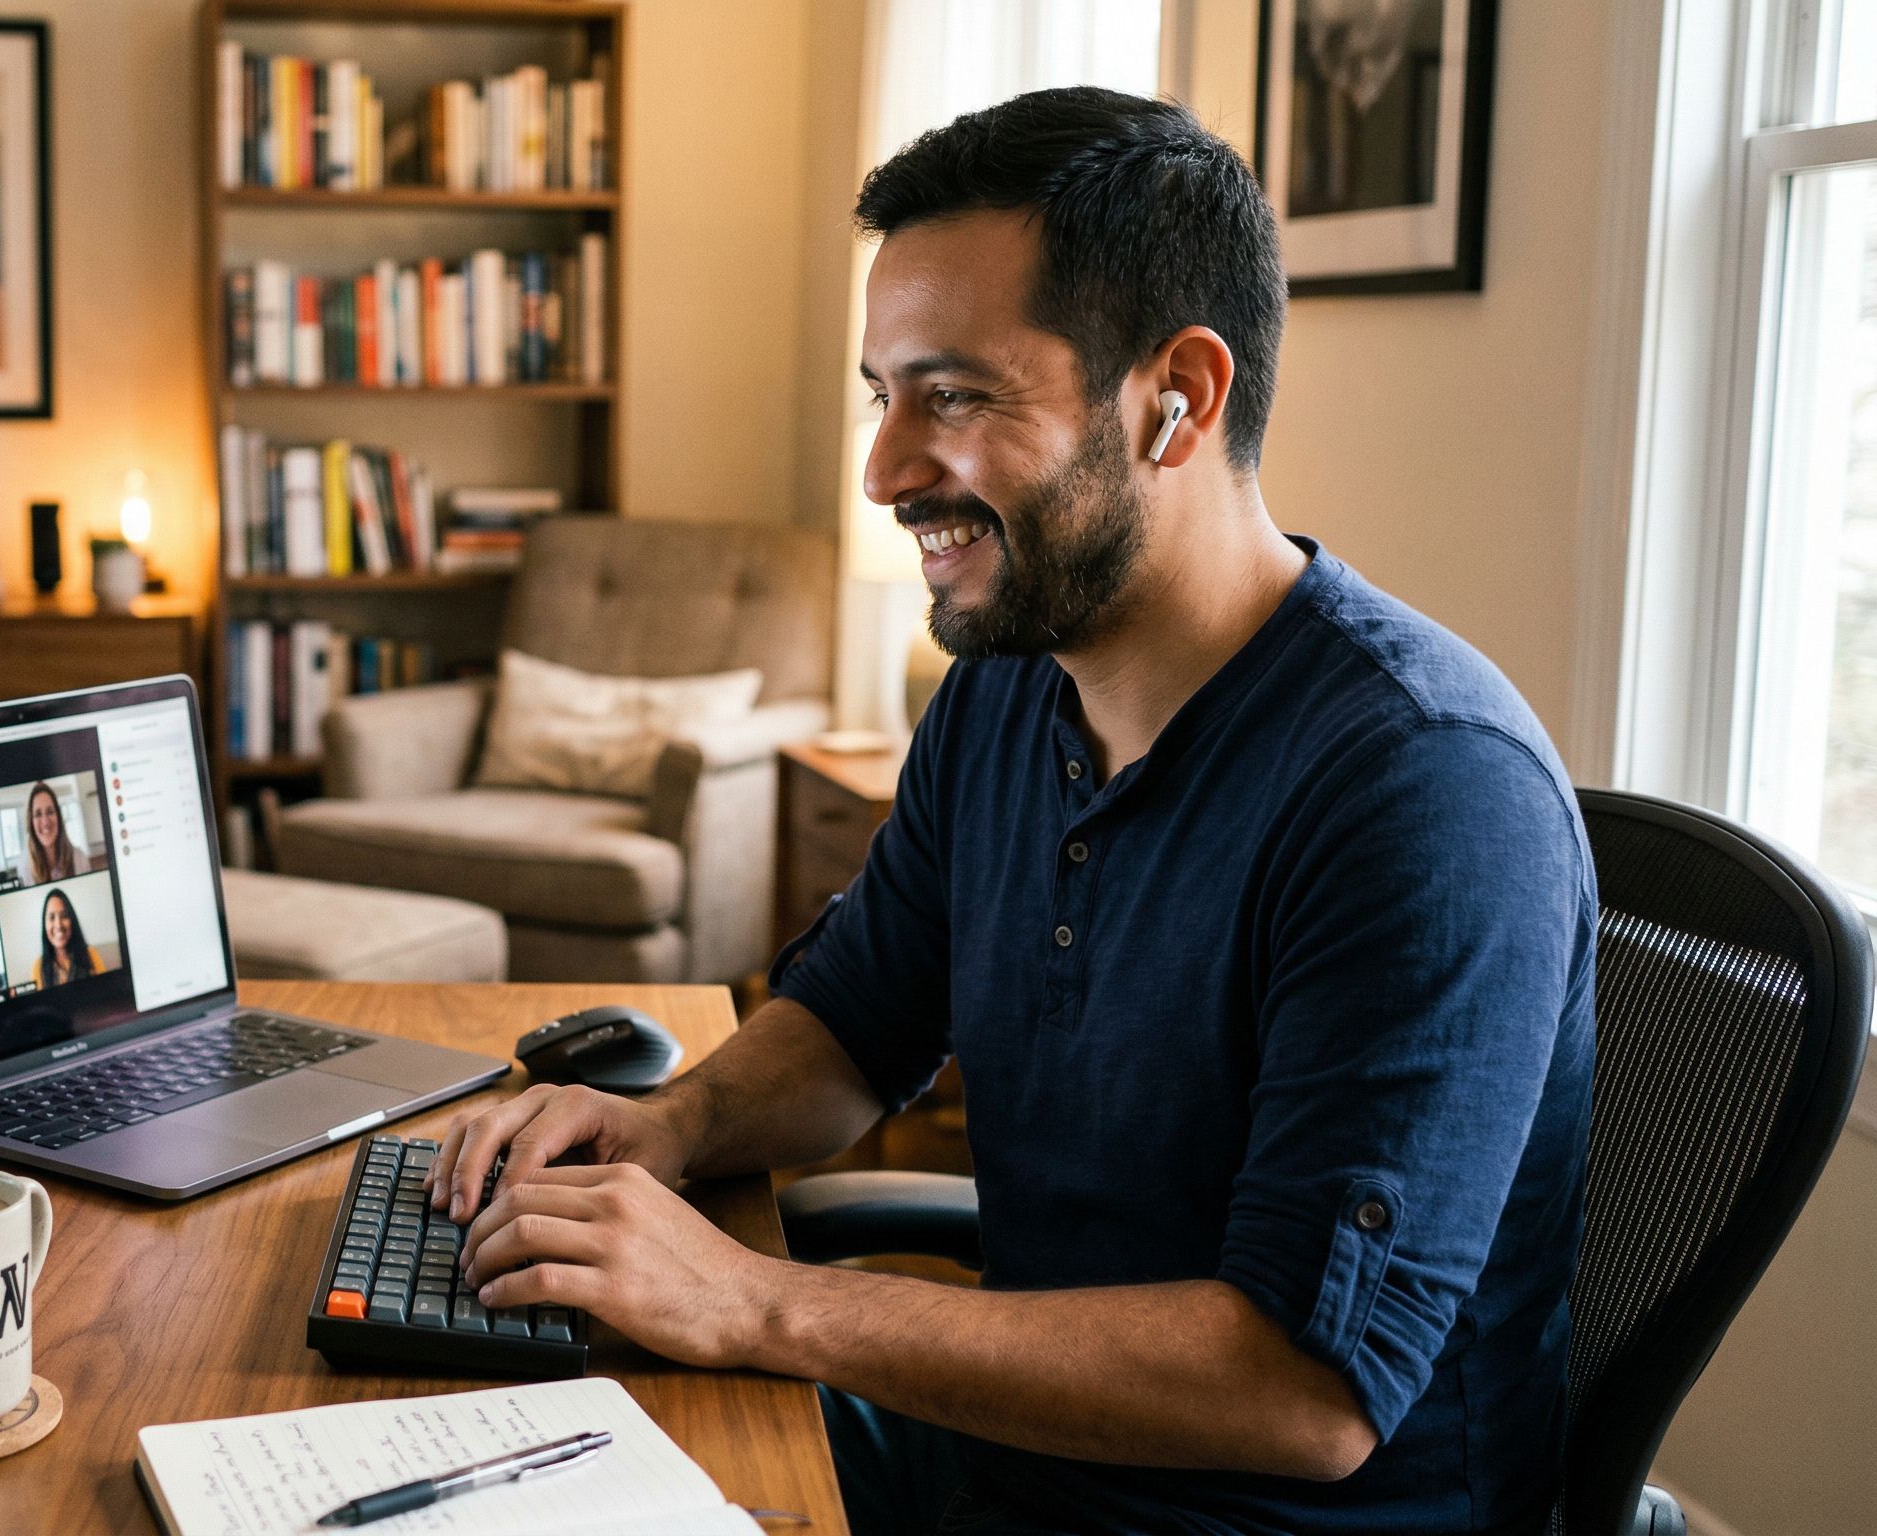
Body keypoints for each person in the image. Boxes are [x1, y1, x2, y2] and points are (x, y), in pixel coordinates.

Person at [426, 88, 1592, 1536]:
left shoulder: (1422, 788)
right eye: (884, 393)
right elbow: (857, 1024)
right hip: (1004, 1461)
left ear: (1180, 394)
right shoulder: (1001, 694)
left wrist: (754, 1302)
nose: (886, 469)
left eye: (958, 395)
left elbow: (1301, 1391)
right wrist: (670, 1126)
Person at [21, 782, 92, 885]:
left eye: (50, 812)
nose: (45, 822)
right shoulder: (24, 870)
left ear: (58, 817)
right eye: (38, 814)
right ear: (30, 823)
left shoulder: (80, 860)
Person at [30, 887, 100, 989]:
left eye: (64, 916)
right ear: (44, 924)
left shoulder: (90, 954)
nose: (58, 925)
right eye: (51, 917)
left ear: (72, 921)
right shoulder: (38, 967)